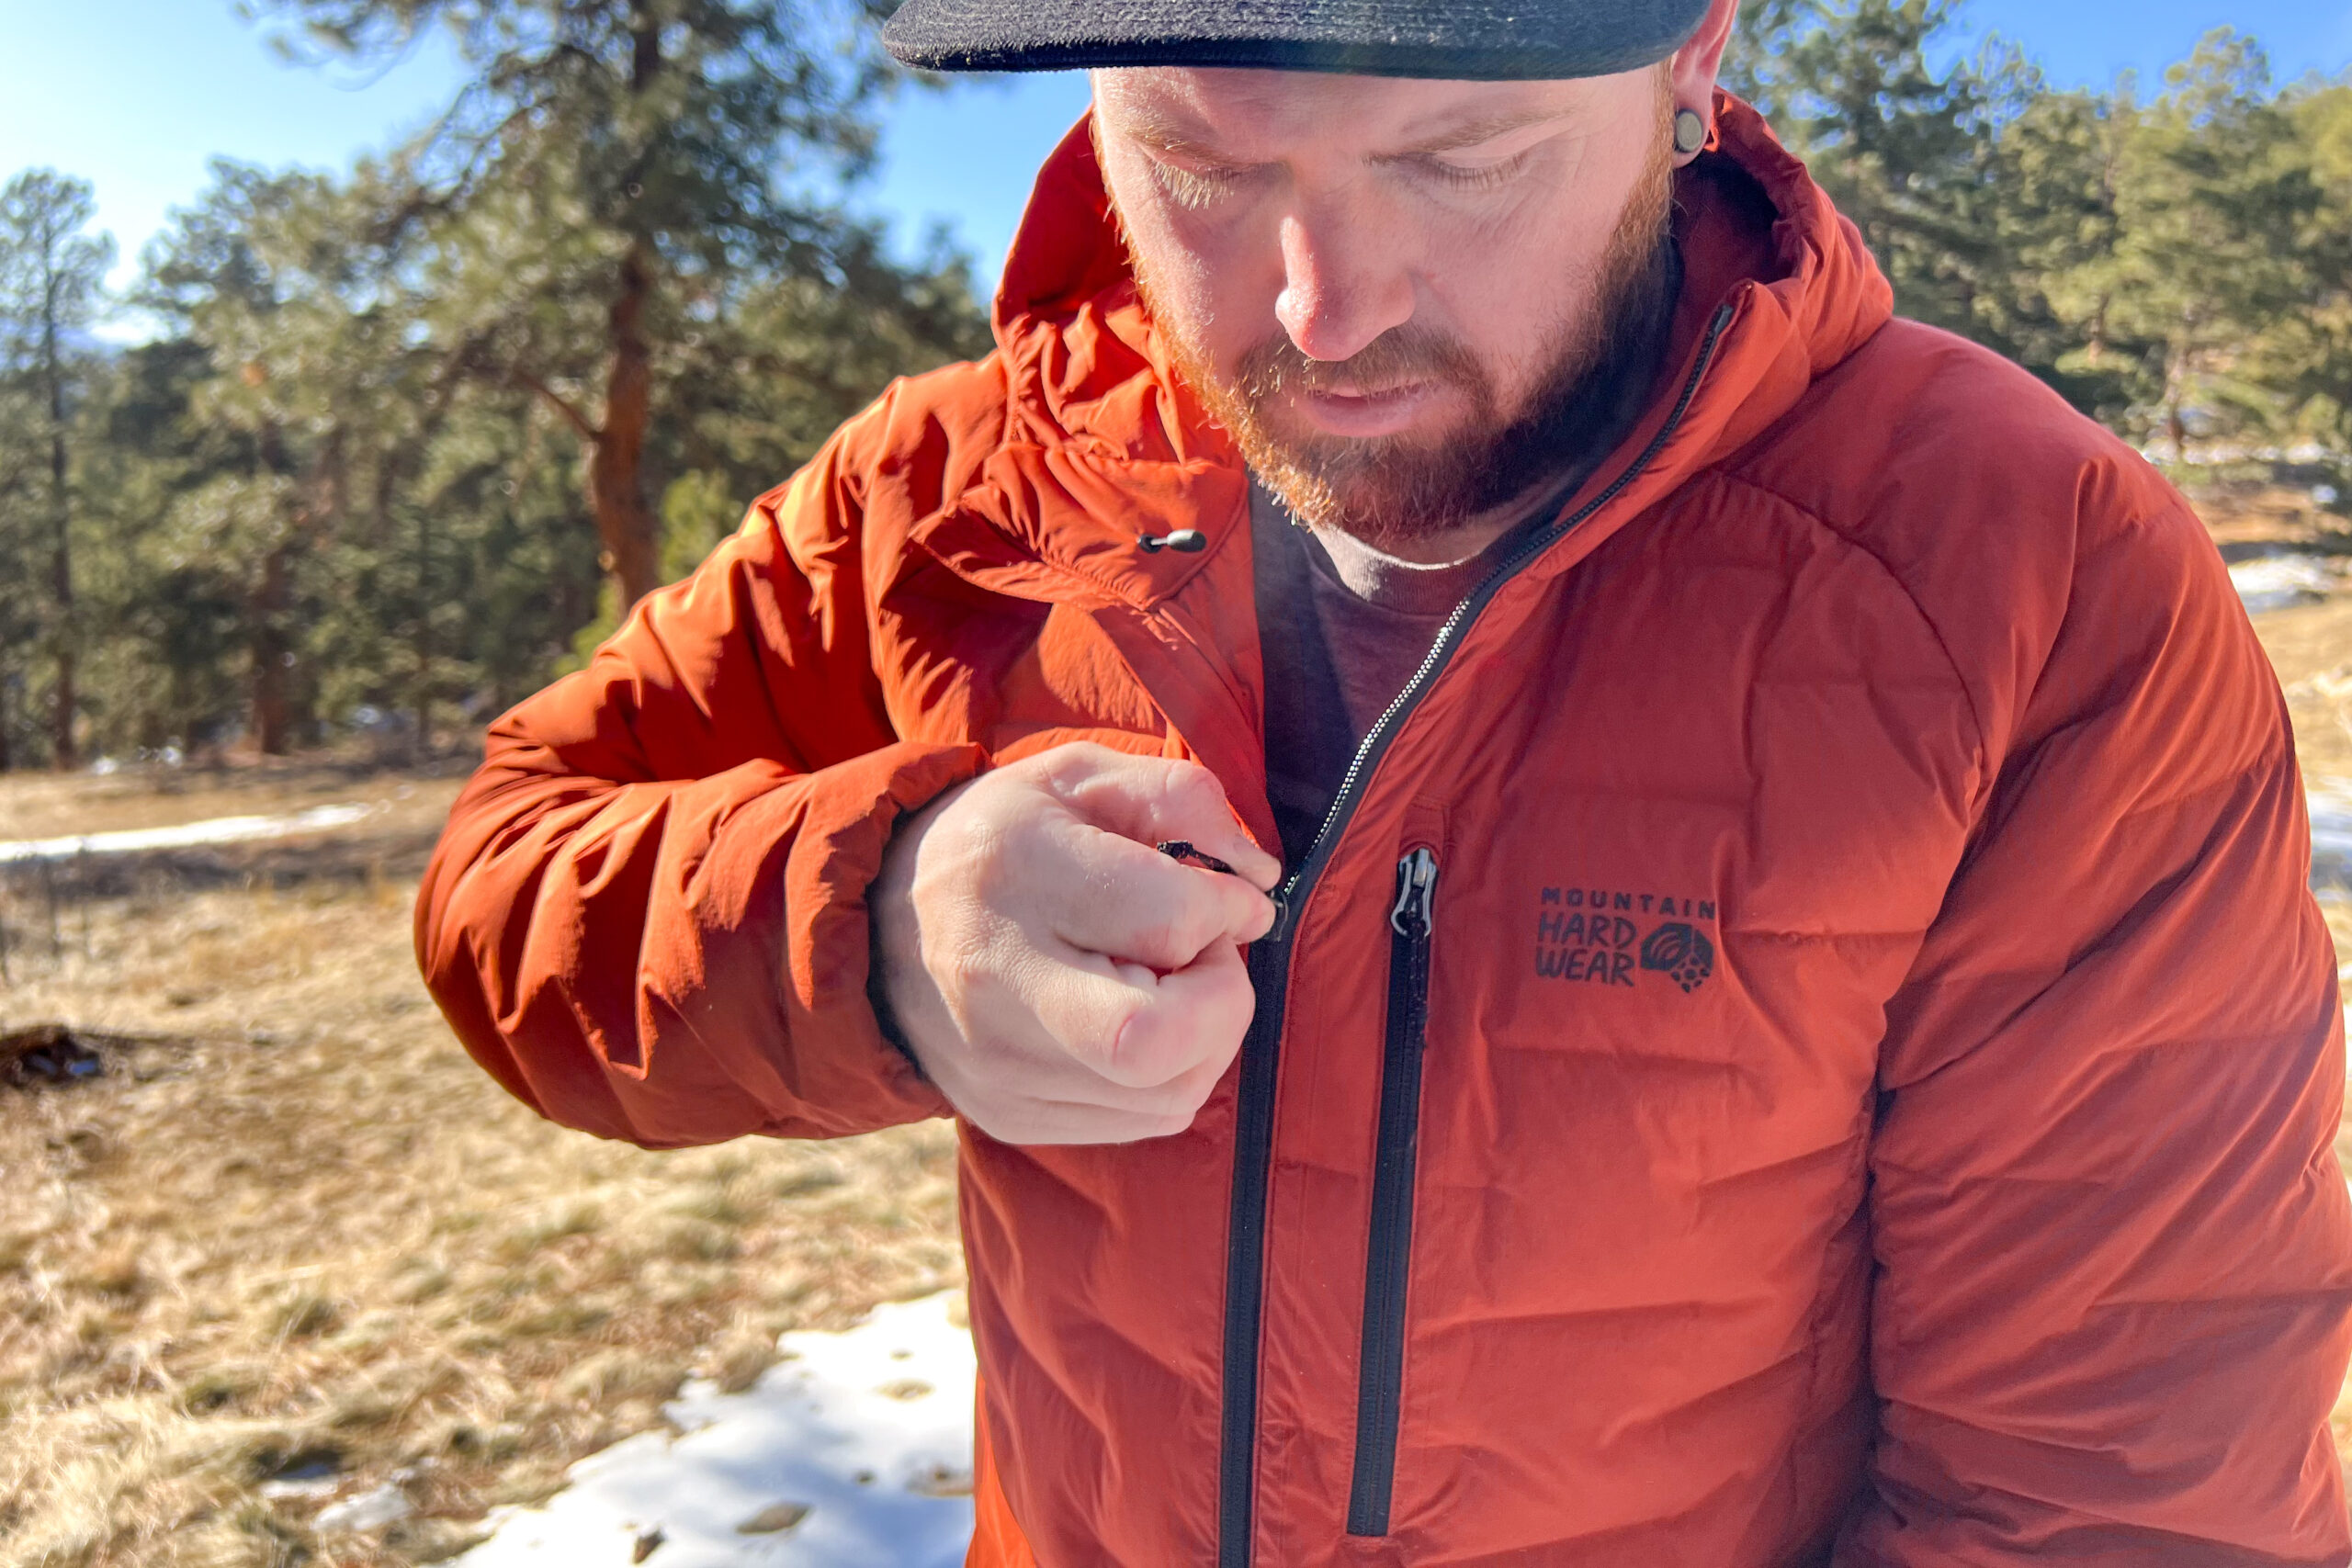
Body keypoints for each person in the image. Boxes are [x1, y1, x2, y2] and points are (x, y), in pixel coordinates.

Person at [414, 0, 2352, 1560]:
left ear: (1691, 60)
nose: (1318, 310)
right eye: (1195, 162)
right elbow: (508, 876)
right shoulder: (950, 497)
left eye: (1459, 155)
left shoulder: (2019, 582)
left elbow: (2123, 1487)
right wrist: (874, 930)